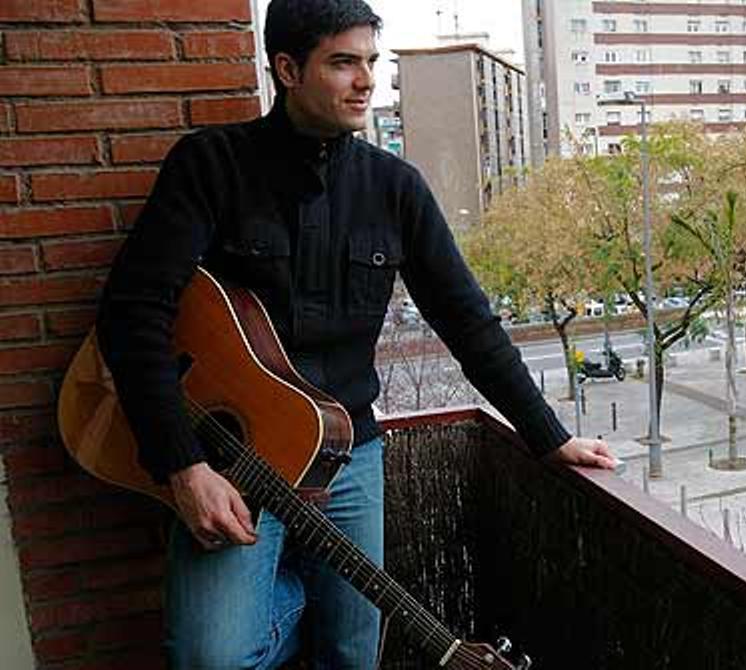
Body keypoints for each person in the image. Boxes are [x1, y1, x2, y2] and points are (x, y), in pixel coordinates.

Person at [95, 0, 617, 667]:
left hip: (347, 455)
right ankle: (292, 598)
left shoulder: (395, 187)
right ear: (287, 68)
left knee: (352, 654)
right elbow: (132, 312)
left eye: (371, 61)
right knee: (210, 657)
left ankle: (306, 602)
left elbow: (468, 322)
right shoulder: (211, 165)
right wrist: (181, 465)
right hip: (231, 460)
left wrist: (550, 436)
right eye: (343, 63)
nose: (366, 81)